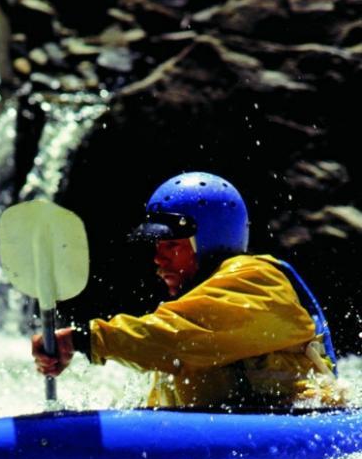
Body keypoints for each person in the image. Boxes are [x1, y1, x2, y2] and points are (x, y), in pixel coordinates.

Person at [32, 172, 347, 409]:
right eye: (157, 246)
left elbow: (182, 334)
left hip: (305, 430)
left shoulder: (256, 280)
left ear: (209, 240)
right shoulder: (191, 307)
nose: (158, 259)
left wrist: (85, 339)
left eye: (171, 245)